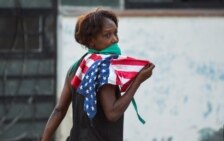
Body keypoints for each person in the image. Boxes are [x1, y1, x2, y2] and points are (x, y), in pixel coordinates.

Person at [41, 8, 155, 141]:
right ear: (91, 41)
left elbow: (59, 110)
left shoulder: (76, 68)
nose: (115, 39)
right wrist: (138, 81)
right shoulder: (104, 68)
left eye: (115, 33)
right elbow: (112, 113)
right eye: (107, 35)